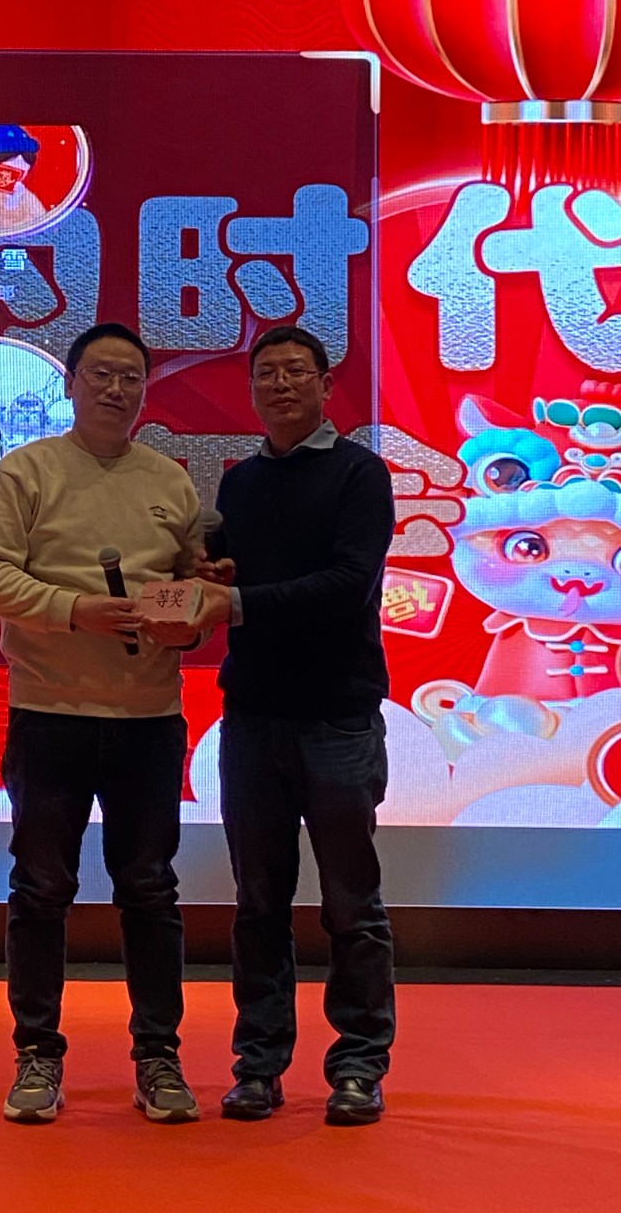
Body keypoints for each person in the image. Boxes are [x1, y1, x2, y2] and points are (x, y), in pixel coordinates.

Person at [0, 322, 203, 1126]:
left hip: (148, 716)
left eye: (130, 376)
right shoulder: (24, 472)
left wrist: (186, 613)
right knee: (41, 889)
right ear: (69, 384)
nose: (115, 388)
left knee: (151, 890)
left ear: (145, 390)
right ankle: (37, 1054)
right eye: (100, 373)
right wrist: (76, 610)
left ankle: (159, 1057)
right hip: (50, 712)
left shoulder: (169, 481)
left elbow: (180, 590)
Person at [201, 324, 396, 1127]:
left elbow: (350, 583)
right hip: (252, 719)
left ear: (324, 384)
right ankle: (258, 1066)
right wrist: (208, 578)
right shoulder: (239, 483)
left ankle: (358, 1066)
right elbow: (224, 576)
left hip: (338, 719)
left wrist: (237, 601)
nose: (280, 385)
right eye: (266, 374)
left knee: (352, 905)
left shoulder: (360, 473)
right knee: (257, 904)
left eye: (295, 371)